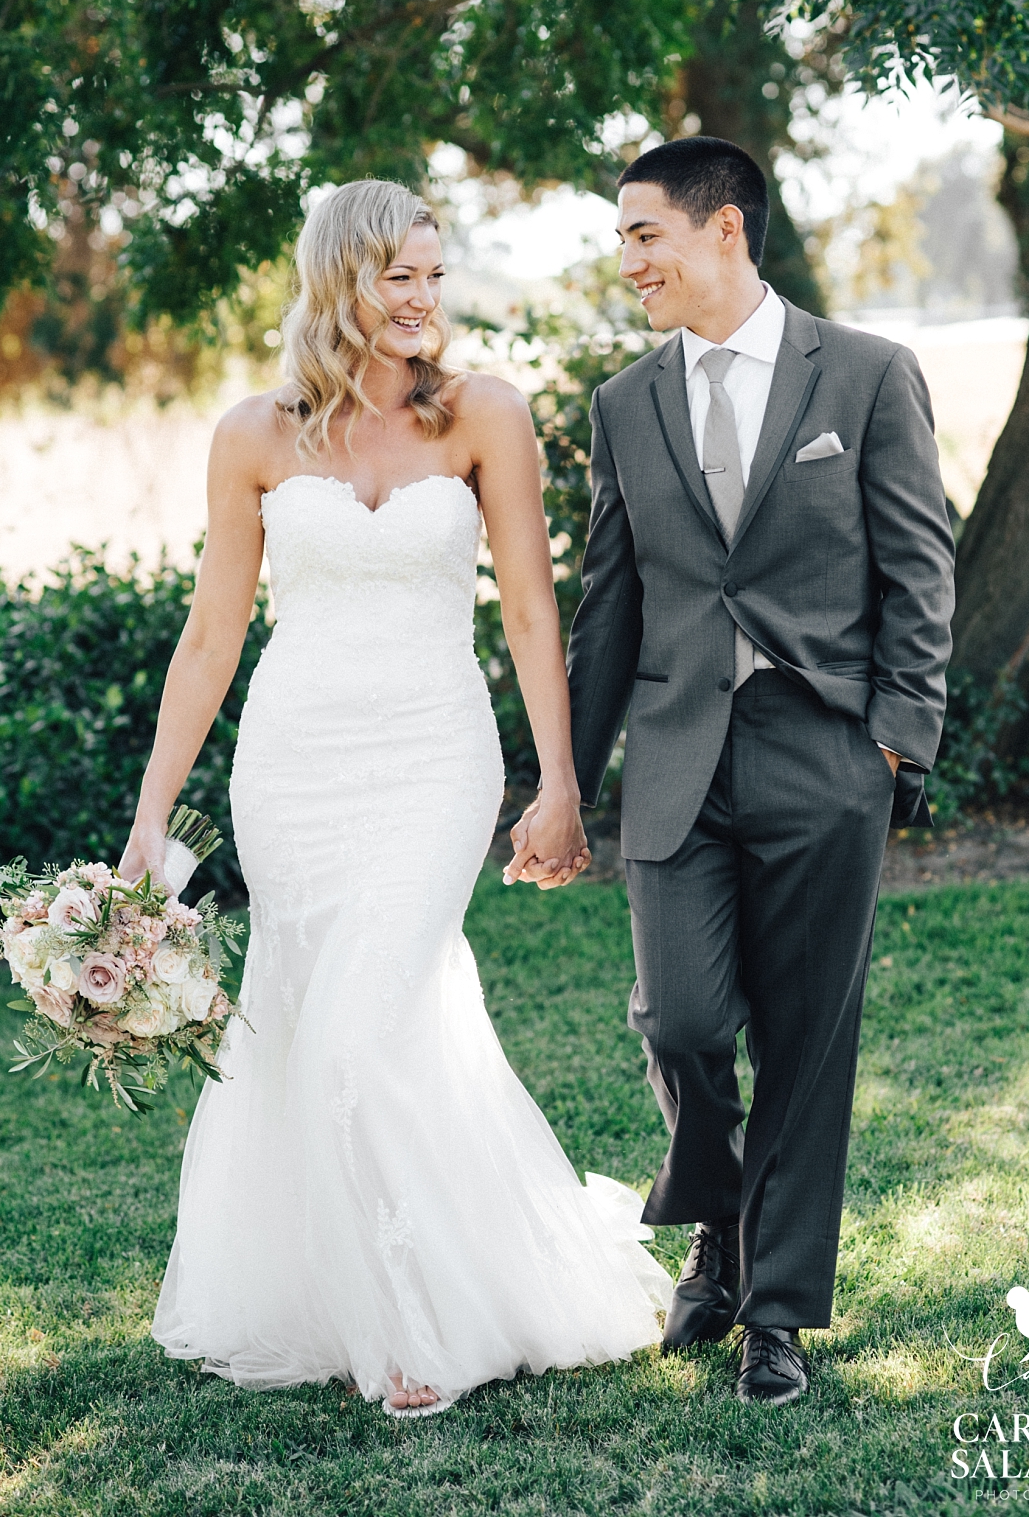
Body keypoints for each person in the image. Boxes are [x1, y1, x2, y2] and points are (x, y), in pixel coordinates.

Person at [121, 178, 671, 1416]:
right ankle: (345, 1286)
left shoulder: (485, 415)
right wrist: (155, 813)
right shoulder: (253, 437)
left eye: (435, 274)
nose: (424, 299)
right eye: (398, 276)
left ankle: (416, 1324)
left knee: (361, 1032)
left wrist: (559, 781)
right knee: (327, 1028)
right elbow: (211, 638)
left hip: (434, 756)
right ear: (338, 282)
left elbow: (534, 610)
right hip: (294, 763)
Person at [542, 135, 955, 1404]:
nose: (628, 263)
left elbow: (919, 569)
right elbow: (609, 602)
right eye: (622, 240)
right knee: (678, 1017)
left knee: (805, 1040)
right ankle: (717, 1213)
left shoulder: (871, 376)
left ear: (725, 231)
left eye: (644, 235)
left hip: (826, 755)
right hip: (676, 762)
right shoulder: (625, 403)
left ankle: (769, 1309)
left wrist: (897, 741)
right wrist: (561, 774)